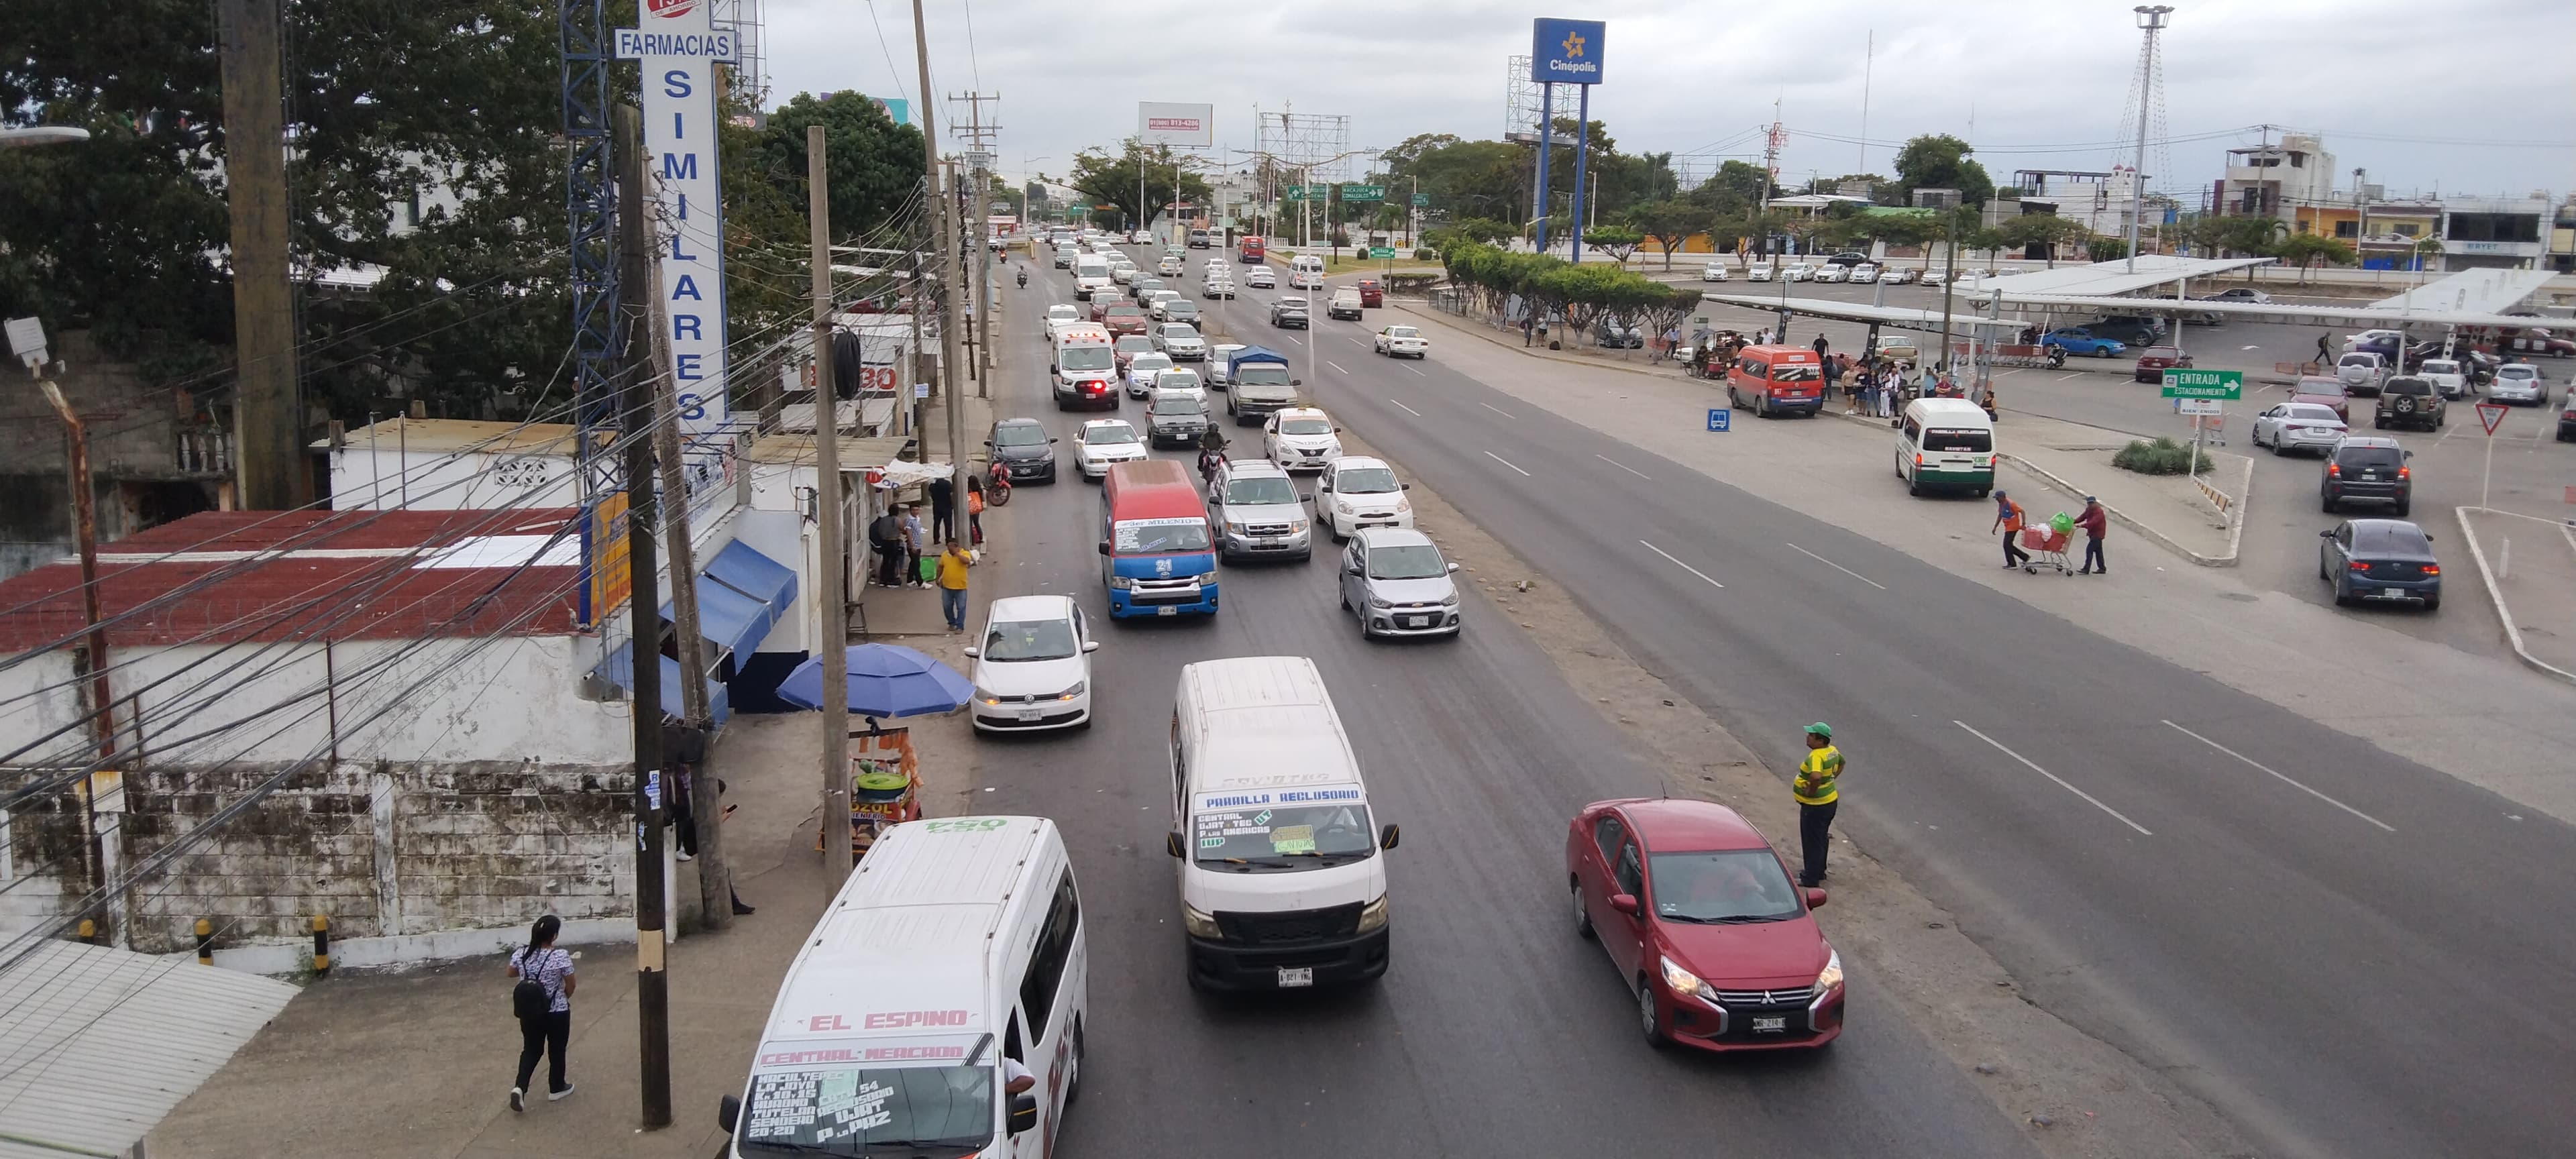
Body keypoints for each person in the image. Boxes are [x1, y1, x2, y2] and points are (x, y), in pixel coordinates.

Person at [506, 915, 576, 1111]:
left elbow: (510, 973)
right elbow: (571, 984)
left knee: (531, 1049)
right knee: (557, 1049)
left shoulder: (521, 953)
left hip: (530, 1012)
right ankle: (557, 1087)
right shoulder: (560, 956)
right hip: (557, 1011)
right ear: (554, 936)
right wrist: (562, 998)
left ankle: (520, 1087)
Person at [1793, 723, 1842, 887]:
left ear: (1820, 740)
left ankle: (1810, 878)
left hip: (1815, 806)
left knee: (1811, 841)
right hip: (1830, 802)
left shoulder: (1816, 756)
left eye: (1811, 736)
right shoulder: (1832, 751)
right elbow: (1842, 762)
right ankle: (1819, 870)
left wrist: (1811, 791)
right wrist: (1831, 779)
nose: (1807, 737)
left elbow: (1815, 776)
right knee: (1821, 837)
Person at [935, 539, 973, 632]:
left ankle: (960, 626)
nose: (949, 550)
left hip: (961, 587)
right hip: (947, 587)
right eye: (948, 548)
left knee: (961, 607)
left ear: (957, 547)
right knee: (947, 607)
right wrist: (937, 578)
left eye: (951, 548)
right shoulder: (945, 555)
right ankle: (952, 622)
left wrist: (957, 554)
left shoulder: (964, 553)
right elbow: (940, 567)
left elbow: (966, 561)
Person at [867, 506, 906, 589]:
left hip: (884, 542)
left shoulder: (883, 520)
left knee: (885, 561)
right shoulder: (897, 520)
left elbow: (880, 530)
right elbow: (903, 530)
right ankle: (891, 580)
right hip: (894, 541)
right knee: (893, 561)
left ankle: (883, 580)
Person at [1992, 490, 2030, 569]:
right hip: (2008, 527)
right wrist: (1995, 527)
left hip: (2013, 527)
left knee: (2006, 545)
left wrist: (2023, 523)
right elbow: (2000, 515)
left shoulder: (2011, 504)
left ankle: (2012, 564)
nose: (1996, 500)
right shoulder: (2001, 504)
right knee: (2008, 545)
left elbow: (2022, 511)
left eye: (1998, 498)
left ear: (2003, 497)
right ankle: (2025, 557)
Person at [2073, 496, 2109, 574]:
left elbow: (2093, 522)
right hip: (2092, 533)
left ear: (2095, 503)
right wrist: (2074, 521)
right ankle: (2102, 568)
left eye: (2092, 503)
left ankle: (2086, 569)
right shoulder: (2089, 510)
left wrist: (2082, 525)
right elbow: (2083, 517)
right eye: (2089, 503)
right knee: (2098, 551)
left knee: (2089, 550)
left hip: (2098, 534)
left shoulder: (2099, 512)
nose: (2090, 505)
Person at [903, 504, 931, 588]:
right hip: (913, 545)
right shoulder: (909, 520)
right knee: (916, 564)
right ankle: (920, 582)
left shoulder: (917, 519)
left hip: (918, 544)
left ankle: (910, 580)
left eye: (917, 510)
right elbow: (908, 533)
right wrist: (912, 546)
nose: (915, 512)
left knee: (913, 563)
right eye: (913, 510)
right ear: (910, 511)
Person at [928, 474, 956, 545]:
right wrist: (953, 504)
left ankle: (936, 539)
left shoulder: (932, 485)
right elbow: (951, 495)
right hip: (947, 506)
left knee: (936, 523)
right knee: (948, 524)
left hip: (937, 506)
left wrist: (935, 499)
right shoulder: (948, 484)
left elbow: (930, 494)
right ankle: (948, 539)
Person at [965, 475, 986, 547]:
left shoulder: (967, 489)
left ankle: (972, 541)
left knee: (970, 524)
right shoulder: (979, 489)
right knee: (977, 523)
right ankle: (981, 537)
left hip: (970, 508)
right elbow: (983, 499)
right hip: (977, 508)